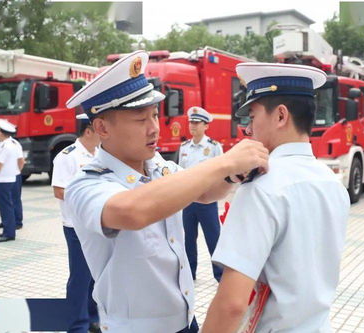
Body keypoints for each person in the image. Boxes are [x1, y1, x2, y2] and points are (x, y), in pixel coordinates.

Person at [63, 50, 268, 332]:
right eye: (140, 119)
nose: (154, 129)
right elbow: (133, 212)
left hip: (185, 320)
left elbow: (204, 193)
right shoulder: (85, 184)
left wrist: (232, 173)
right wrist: (224, 161)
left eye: (155, 116)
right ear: (101, 127)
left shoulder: (156, 165)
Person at [202, 62, 350, 333]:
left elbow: (232, 304)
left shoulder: (261, 188)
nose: (249, 130)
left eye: (253, 117)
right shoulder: (333, 182)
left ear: (281, 116)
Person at [51, 114, 101, 333]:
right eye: (99, 128)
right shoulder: (67, 156)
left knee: (95, 275)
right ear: (88, 131)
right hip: (76, 226)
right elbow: (59, 190)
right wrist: (88, 198)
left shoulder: (100, 154)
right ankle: (76, 325)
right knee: (80, 278)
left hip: (96, 224)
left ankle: (93, 318)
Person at [179, 106, 224, 282]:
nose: (192, 126)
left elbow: (222, 172)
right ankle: (190, 274)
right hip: (188, 202)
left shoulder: (214, 147)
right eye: (191, 122)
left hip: (207, 202)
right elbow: (180, 173)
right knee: (188, 240)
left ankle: (220, 276)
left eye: (197, 123)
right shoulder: (184, 147)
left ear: (206, 126)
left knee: (213, 239)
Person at [0, 119, 24, 243]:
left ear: (2, 133)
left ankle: (9, 233)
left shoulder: (7, 146)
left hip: (4, 180)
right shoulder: (6, 144)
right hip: (6, 179)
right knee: (6, 206)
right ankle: (7, 229)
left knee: (6, 206)